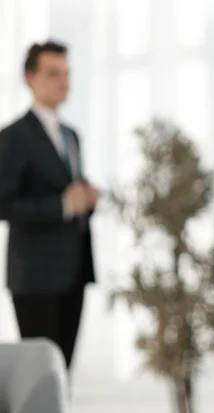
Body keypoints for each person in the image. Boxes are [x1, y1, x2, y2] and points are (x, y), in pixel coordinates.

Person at [0, 41, 98, 371]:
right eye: (53, 73)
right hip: (35, 276)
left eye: (67, 73)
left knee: (61, 375)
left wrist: (86, 200)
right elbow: (4, 205)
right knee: (40, 378)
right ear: (30, 78)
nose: (63, 81)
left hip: (74, 271)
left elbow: (71, 196)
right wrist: (61, 206)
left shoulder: (72, 135)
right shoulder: (13, 136)